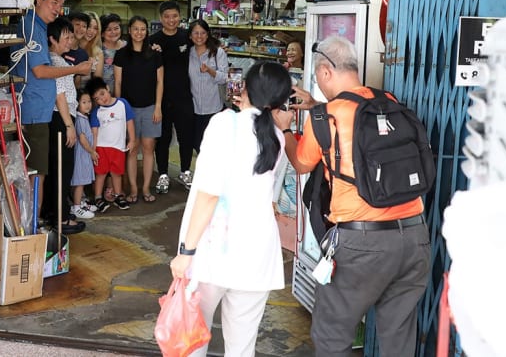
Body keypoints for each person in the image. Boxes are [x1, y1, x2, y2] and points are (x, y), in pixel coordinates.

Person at [275, 36, 431, 356]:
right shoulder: (387, 100)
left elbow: (302, 162)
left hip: (362, 246)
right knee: (398, 336)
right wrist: (316, 106)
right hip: (415, 238)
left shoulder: (326, 118)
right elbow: (352, 120)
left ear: (325, 72)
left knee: (332, 334)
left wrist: (286, 129)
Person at [169, 61, 291, 357]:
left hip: (214, 249)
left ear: (243, 89)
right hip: (257, 254)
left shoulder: (224, 123)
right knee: (242, 348)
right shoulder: (277, 137)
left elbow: (209, 195)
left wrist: (186, 253)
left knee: (192, 338)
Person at [12, 0, 91, 224]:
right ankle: (31, 228)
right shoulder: (32, 28)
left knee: (40, 173)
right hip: (34, 112)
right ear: (38, 0)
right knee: (38, 175)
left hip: (40, 111)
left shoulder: (37, 26)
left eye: (61, 4)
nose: (57, 9)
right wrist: (76, 69)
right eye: (53, 3)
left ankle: (33, 224)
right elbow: (39, 70)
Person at [44, 17, 94, 233]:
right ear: (52, 39)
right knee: (62, 170)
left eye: (71, 36)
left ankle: (54, 213)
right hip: (61, 119)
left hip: (62, 118)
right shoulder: (55, 62)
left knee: (58, 169)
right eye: (66, 36)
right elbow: (60, 96)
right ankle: (61, 219)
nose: (70, 40)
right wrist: (69, 126)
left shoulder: (58, 60)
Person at [113, 16, 164, 204]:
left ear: (147, 31)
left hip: (150, 107)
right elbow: (117, 82)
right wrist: (120, 108)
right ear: (130, 30)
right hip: (129, 109)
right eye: (135, 29)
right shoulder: (122, 54)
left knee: (149, 147)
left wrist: (158, 107)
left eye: (143, 29)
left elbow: (160, 82)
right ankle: (133, 189)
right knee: (132, 148)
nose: (139, 33)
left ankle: (145, 188)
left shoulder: (155, 53)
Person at [151, 0, 195, 194]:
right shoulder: (153, 40)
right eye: (167, 17)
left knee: (186, 136)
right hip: (161, 98)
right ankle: (162, 174)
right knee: (163, 138)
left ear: (180, 17)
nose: (171, 20)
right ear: (161, 18)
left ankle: (186, 171)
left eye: (174, 16)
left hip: (184, 96)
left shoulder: (188, 37)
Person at [85, 77, 136, 210]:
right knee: (101, 174)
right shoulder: (97, 112)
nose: (102, 99)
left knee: (116, 173)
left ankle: (119, 196)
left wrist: (132, 139)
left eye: (102, 94)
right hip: (101, 148)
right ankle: (97, 197)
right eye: (97, 99)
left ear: (108, 88)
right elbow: (94, 133)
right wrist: (93, 150)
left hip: (118, 147)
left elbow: (129, 122)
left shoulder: (123, 104)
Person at [187, 19, 228, 153]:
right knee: (197, 144)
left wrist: (210, 70)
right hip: (193, 108)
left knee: (213, 146)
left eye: (203, 33)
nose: (199, 36)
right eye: (195, 33)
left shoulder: (218, 53)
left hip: (213, 108)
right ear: (190, 35)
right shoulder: (187, 53)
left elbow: (224, 78)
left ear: (208, 34)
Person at [72, 90, 107, 213]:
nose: (87, 105)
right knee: (80, 182)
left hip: (85, 154)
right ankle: (77, 207)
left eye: (89, 102)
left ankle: (81, 203)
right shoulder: (79, 119)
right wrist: (92, 152)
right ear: (77, 104)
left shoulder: (84, 118)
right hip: (82, 155)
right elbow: (82, 138)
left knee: (82, 180)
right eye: (83, 102)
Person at [99, 13, 125, 95]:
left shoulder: (128, 47)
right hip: (105, 96)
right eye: (109, 29)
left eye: (116, 28)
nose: (113, 32)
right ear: (102, 33)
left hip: (127, 94)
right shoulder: (98, 50)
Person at [66, 11, 92, 88]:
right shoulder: (59, 47)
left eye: (84, 26)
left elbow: (77, 82)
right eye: (77, 24)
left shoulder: (83, 55)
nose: (81, 29)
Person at [81, 11, 104, 83]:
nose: (91, 31)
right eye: (89, 26)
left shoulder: (98, 53)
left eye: (95, 28)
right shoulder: (68, 46)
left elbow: (97, 83)